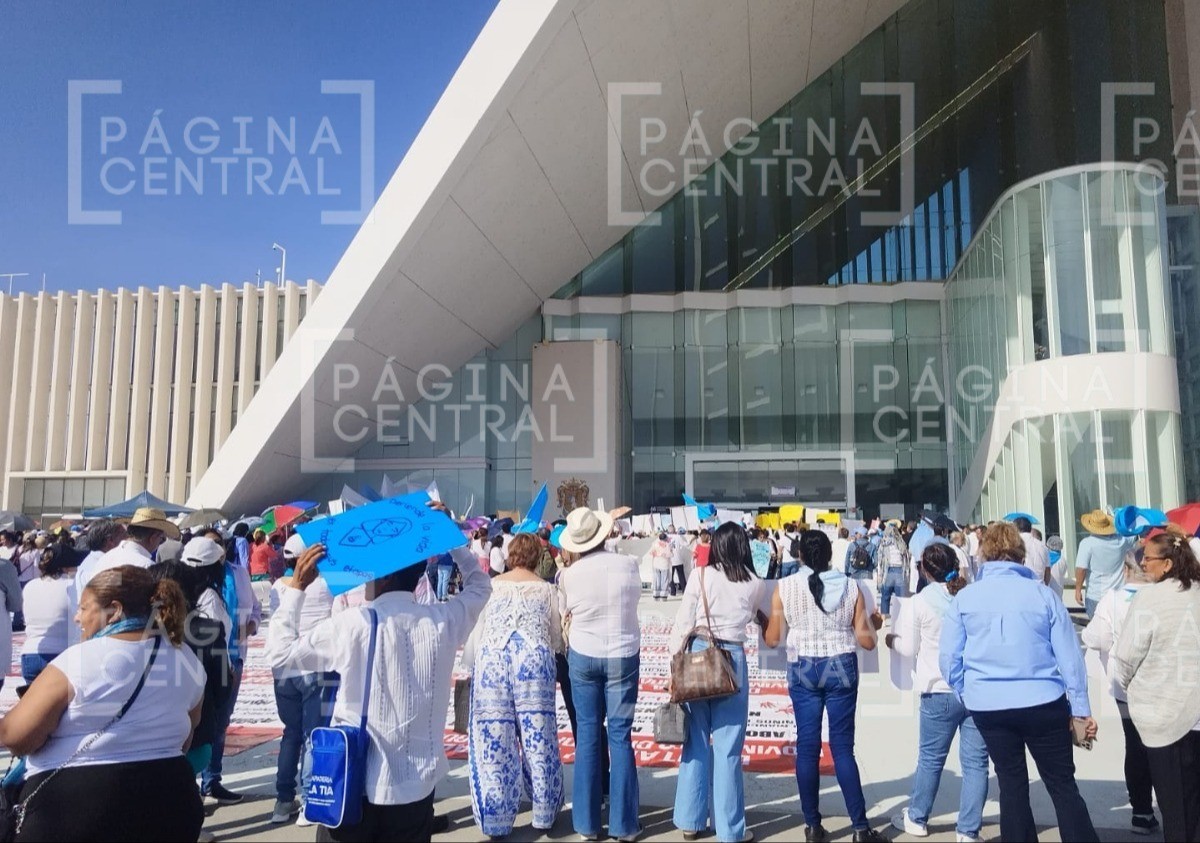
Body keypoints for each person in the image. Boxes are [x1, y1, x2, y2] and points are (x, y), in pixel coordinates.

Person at [268, 513, 490, 843]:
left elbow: (280, 655)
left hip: (357, 781)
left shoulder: (353, 624)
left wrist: (297, 588)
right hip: (416, 785)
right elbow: (480, 585)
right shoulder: (442, 620)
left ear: (381, 577)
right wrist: (450, 535)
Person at [0, 565, 205, 842]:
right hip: (173, 803)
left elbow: (16, 737)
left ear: (115, 610)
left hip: (77, 810)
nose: (77, 618)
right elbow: (187, 735)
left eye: (84, 608)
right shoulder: (187, 659)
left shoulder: (77, 662)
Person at [939, 522, 1098, 843]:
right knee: (1062, 784)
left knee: (1011, 783)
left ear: (984, 554)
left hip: (989, 704)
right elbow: (1071, 659)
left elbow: (949, 660)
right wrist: (1080, 708)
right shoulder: (1043, 595)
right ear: (1021, 554)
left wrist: (969, 691)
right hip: (1043, 701)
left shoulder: (965, 598)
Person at [765, 530, 885, 843]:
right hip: (841, 665)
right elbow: (867, 642)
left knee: (807, 747)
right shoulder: (851, 585)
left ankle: (813, 826)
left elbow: (773, 639)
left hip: (803, 665)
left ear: (799, 555)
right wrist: (875, 622)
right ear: (831, 554)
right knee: (843, 748)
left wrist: (761, 621)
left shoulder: (785, 587)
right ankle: (860, 828)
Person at [670, 522, 769, 843]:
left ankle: (690, 820)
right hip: (732, 661)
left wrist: (673, 669)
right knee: (728, 750)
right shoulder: (755, 583)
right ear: (743, 546)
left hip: (698, 654)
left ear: (716, 546)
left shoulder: (701, 575)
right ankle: (729, 830)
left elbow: (683, 622)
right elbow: (758, 616)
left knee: (695, 740)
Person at [462, 533, 564, 839]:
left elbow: (477, 629)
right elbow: (556, 636)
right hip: (533, 660)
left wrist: (471, 665)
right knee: (539, 735)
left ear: (510, 556)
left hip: (493, 659)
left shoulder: (490, 586)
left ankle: (497, 818)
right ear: (536, 558)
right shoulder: (547, 590)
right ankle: (544, 813)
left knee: (495, 738)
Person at [887, 543, 988, 843]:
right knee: (976, 763)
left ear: (925, 569)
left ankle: (917, 817)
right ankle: (968, 830)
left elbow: (908, 648)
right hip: (973, 690)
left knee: (931, 759)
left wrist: (891, 639)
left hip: (937, 690)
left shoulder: (919, 602)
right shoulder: (972, 596)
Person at [557, 507, 642, 843]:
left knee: (589, 735)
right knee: (620, 736)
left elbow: (565, 613)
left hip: (583, 655)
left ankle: (587, 824)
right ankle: (623, 825)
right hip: (622, 655)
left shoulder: (569, 574)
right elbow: (633, 602)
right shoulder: (628, 565)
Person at [1113, 531, 1200, 842]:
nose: (1142, 564)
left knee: (1176, 810)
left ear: (1166, 564)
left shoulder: (1149, 599)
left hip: (1165, 715)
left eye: (1147, 558)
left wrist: (1124, 688)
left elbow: (1125, 658)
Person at [1080, 552, 1159, 836]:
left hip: (1127, 687)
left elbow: (1094, 637)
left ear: (1127, 569)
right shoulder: (1167, 595)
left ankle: (1141, 811)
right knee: (1167, 746)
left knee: (1135, 745)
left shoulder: (1113, 600)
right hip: (1164, 685)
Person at [265, 534, 334, 825]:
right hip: (315, 666)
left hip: (283, 670)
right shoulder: (327, 584)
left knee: (291, 733)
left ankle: (283, 801)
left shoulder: (277, 587)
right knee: (313, 734)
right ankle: (309, 800)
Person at [149, 560, 234, 784]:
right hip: (197, 739)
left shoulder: (137, 634)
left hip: (145, 743)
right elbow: (223, 686)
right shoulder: (210, 631)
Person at [197, 529, 261, 805]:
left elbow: (255, 608)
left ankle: (212, 781)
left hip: (232, 659)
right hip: (198, 661)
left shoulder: (239, 573)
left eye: (219, 544)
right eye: (210, 545)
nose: (216, 550)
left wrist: (251, 626)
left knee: (221, 723)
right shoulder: (193, 579)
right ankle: (188, 786)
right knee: (193, 723)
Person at [76, 507, 181, 592]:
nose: (160, 542)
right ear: (153, 538)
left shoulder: (106, 558)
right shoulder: (145, 565)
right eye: (161, 538)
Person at [21, 543, 84, 683]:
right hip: (62, 654)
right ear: (66, 567)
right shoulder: (73, 586)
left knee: (34, 704)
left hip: (31, 652)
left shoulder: (30, 586)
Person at [1075, 509, 1135, 618]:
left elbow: (1081, 569)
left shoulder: (1087, 544)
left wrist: (1078, 589)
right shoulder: (1121, 541)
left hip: (1096, 594)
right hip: (1117, 592)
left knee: (1097, 630)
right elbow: (1134, 535)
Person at [874, 523, 910, 620]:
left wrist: (879, 575)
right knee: (900, 597)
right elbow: (906, 557)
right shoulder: (901, 542)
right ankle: (900, 617)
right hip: (899, 570)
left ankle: (884, 617)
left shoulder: (884, 543)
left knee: (885, 596)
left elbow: (880, 560)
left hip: (888, 570)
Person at [1012, 516, 1051, 587]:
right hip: (1040, 586)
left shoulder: (1014, 545)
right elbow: (1047, 571)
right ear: (1030, 529)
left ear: (1016, 529)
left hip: (1021, 586)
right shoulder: (1042, 546)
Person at [649, 532, 673, 600]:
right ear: (665, 538)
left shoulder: (655, 544)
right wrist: (664, 554)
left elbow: (651, 552)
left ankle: (656, 594)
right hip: (664, 564)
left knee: (657, 579)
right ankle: (663, 595)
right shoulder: (668, 545)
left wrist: (657, 554)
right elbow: (671, 554)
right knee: (664, 579)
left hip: (656, 563)